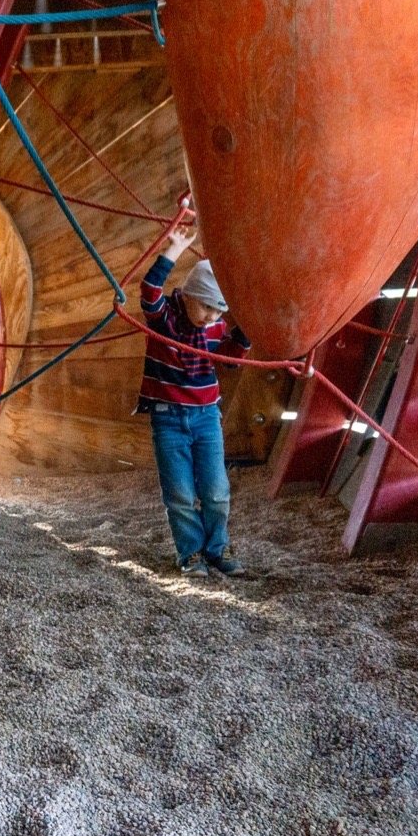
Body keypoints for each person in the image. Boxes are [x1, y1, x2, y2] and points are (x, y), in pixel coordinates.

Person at [137, 227, 251, 578]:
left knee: (216, 490)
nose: (210, 318)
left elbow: (231, 359)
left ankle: (217, 549)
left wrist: (247, 329)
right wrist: (174, 250)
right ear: (188, 296)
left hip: (206, 418)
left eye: (218, 312)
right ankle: (191, 553)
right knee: (180, 494)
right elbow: (149, 293)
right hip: (168, 420)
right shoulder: (166, 319)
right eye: (205, 307)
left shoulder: (215, 329)